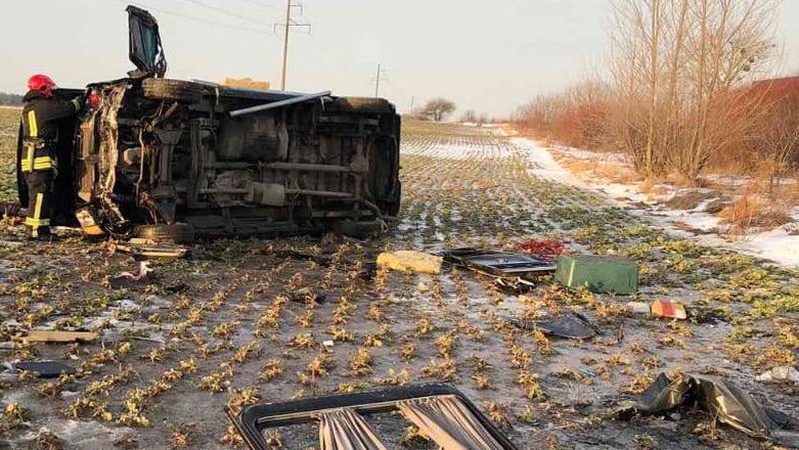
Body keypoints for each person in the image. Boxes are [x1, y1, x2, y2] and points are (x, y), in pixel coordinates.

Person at [19, 74, 82, 241]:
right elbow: (69, 109)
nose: (51, 93)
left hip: (31, 159)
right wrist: (80, 100)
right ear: (43, 88)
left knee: (39, 194)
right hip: (40, 158)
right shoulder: (44, 107)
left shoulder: (30, 107)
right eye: (49, 89)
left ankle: (41, 227)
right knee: (40, 194)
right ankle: (36, 230)